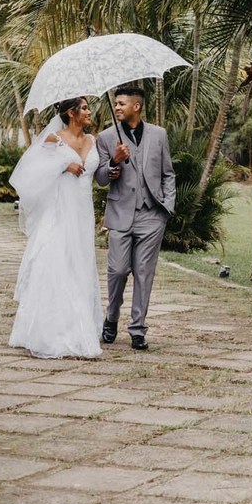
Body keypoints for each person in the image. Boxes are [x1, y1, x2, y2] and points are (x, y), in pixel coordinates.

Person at [7, 97, 103, 358]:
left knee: (80, 263)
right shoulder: (53, 139)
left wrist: (115, 162)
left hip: (83, 212)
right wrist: (63, 165)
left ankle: (81, 322)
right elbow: (27, 174)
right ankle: (53, 330)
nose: (89, 112)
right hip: (59, 211)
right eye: (84, 108)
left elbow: (102, 175)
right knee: (57, 262)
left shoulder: (94, 141)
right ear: (71, 113)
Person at [94, 86, 176, 350]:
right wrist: (114, 163)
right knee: (117, 270)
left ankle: (138, 329)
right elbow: (101, 178)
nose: (116, 107)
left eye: (121, 104)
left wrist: (167, 206)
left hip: (152, 214)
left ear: (136, 106)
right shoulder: (106, 137)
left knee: (144, 273)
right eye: (115, 104)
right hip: (120, 213)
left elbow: (168, 173)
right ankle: (111, 317)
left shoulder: (159, 135)